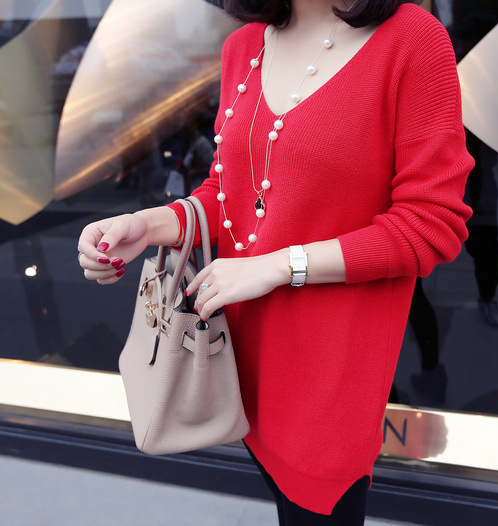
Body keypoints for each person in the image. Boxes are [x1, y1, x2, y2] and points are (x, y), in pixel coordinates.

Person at [77, 0, 473, 523]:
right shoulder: (244, 45)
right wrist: (149, 225)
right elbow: (231, 192)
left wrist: (278, 265)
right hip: (236, 363)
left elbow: (431, 224)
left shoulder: (411, 39)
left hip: (327, 382)